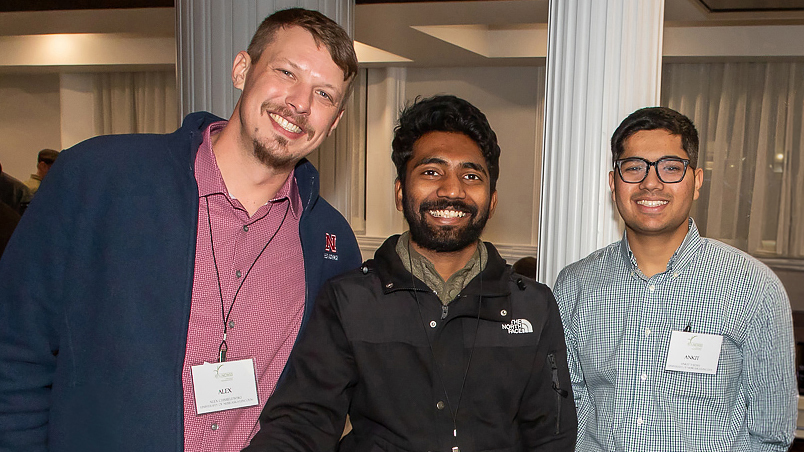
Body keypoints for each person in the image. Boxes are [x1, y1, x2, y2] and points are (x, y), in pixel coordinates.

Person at [0, 8, 361, 452]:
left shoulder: (332, 244)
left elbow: (318, 398)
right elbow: (15, 351)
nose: (300, 103)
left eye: (324, 95)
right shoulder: (98, 179)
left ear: (336, 121)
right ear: (241, 69)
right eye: (286, 72)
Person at [244, 95, 578, 452]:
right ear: (401, 193)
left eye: (471, 175)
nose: (452, 190)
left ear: (492, 200)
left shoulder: (534, 306)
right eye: (432, 172)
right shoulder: (350, 300)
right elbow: (302, 423)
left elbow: (550, 437)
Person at [554, 106, 797, 451]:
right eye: (634, 167)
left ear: (696, 182)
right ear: (614, 183)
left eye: (671, 168)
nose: (650, 183)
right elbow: (568, 407)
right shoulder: (574, 285)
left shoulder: (754, 288)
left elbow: (771, 434)